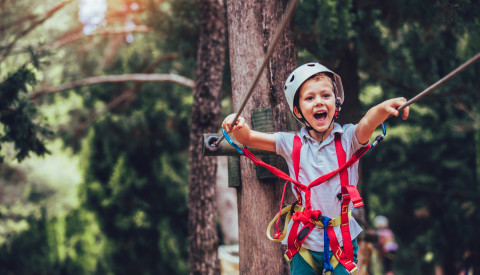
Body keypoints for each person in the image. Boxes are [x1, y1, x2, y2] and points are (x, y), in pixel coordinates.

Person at [222, 62, 409, 275]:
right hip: (305, 243)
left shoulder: (349, 139)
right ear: (297, 110)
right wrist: (236, 126)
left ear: (337, 102)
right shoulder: (290, 143)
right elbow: (249, 138)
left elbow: (367, 122)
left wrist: (382, 109)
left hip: (342, 241)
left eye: (325, 96)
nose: (319, 102)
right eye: (310, 98)